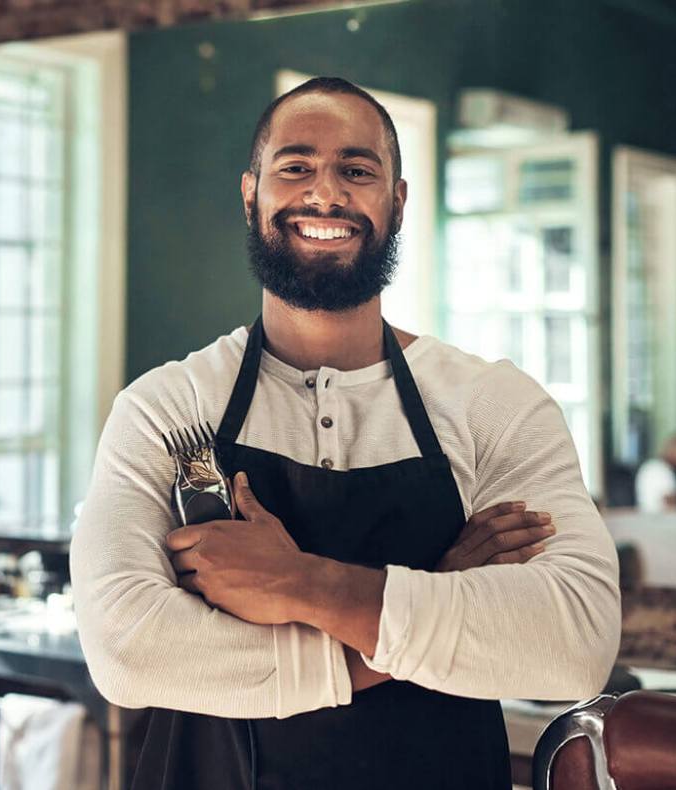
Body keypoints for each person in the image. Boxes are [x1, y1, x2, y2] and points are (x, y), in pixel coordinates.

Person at [70, 77, 620, 789]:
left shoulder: (494, 406)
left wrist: (301, 583)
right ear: (251, 194)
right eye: (296, 166)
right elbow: (128, 651)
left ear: (398, 201)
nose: (325, 193)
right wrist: (421, 609)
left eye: (357, 170)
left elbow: (573, 643)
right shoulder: (168, 406)